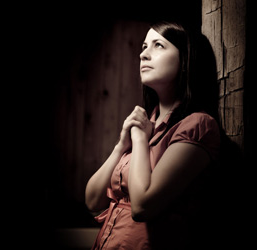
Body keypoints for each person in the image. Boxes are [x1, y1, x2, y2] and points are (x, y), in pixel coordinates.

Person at [85, 21, 226, 249]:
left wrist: (140, 140)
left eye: (158, 45)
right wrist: (121, 146)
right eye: (143, 47)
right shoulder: (146, 124)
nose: (143, 55)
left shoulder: (197, 125)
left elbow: (142, 207)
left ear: (185, 60)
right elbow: (92, 201)